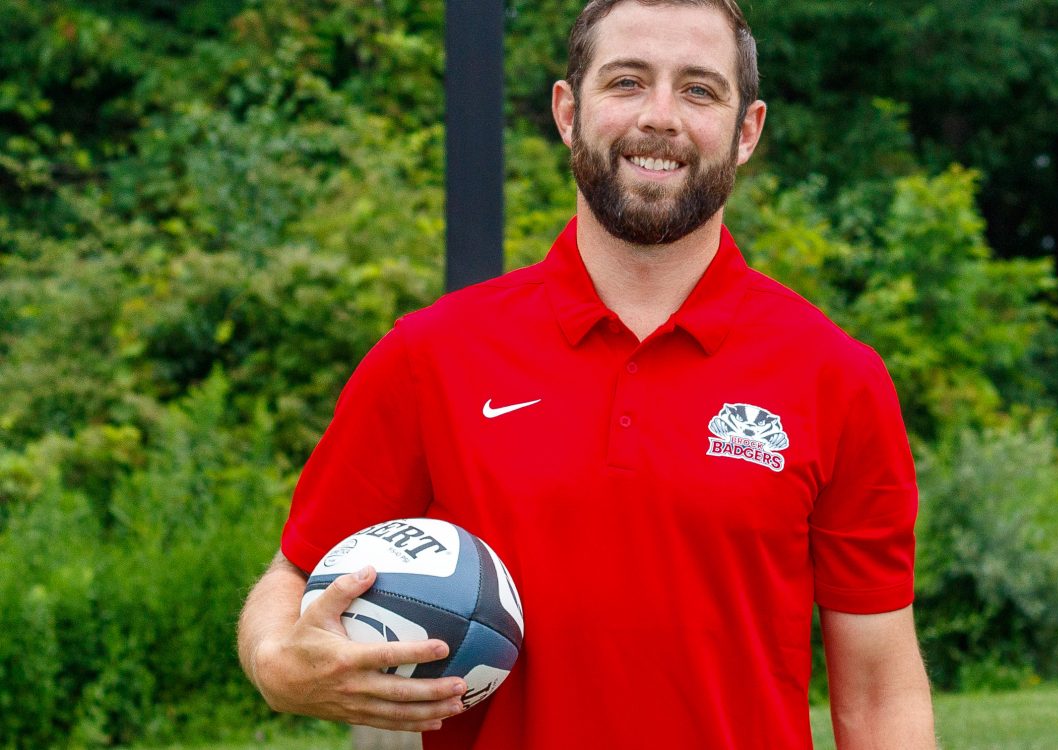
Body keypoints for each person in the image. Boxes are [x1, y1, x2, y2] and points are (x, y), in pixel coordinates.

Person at [237, 0, 936, 747]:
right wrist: (279, 664)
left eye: (699, 90)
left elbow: (879, 690)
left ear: (747, 132)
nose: (660, 116)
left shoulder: (837, 378)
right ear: (568, 111)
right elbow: (292, 578)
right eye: (627, 81)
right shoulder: (430, 355)